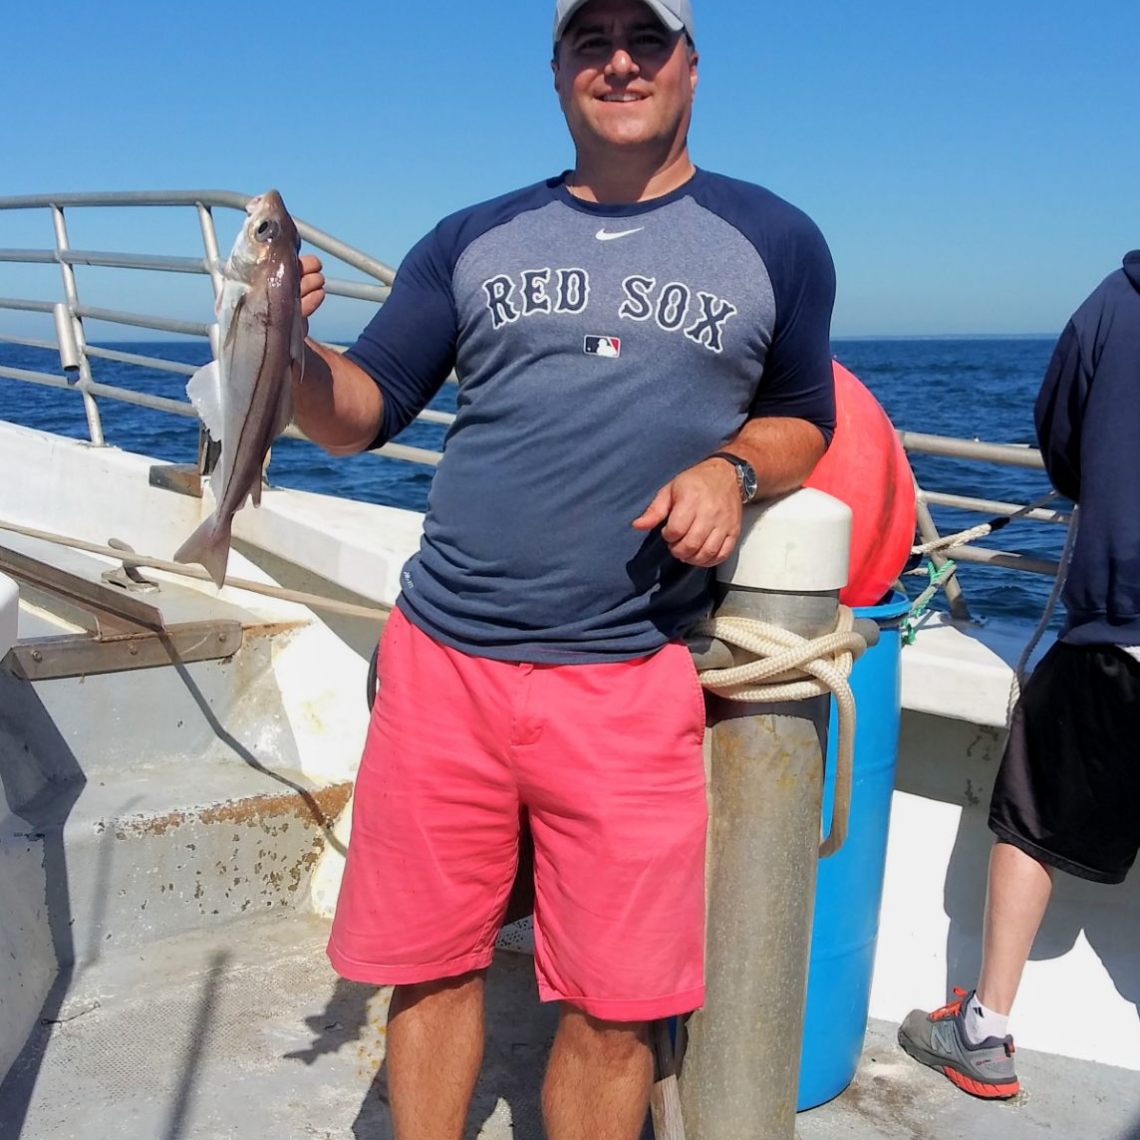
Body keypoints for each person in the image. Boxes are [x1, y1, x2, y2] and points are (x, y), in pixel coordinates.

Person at [294, 1, 836, 1136]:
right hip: (444, 664)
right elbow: (359, 412)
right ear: (555, 71)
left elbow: (803, 418)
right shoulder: (470, 237)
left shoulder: (775, 239)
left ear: (692, 66)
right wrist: (288, 353)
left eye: (647, 40)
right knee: (431, 968)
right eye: (592, 42)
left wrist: (733, 469)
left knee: (618, 1004)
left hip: (628, 675)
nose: (620, 63)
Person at [898, 250, 1140, 1100]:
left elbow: (1061, 439)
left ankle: (985, 1030)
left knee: (1031, 817)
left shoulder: (1113, 302)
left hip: (1118, 635)